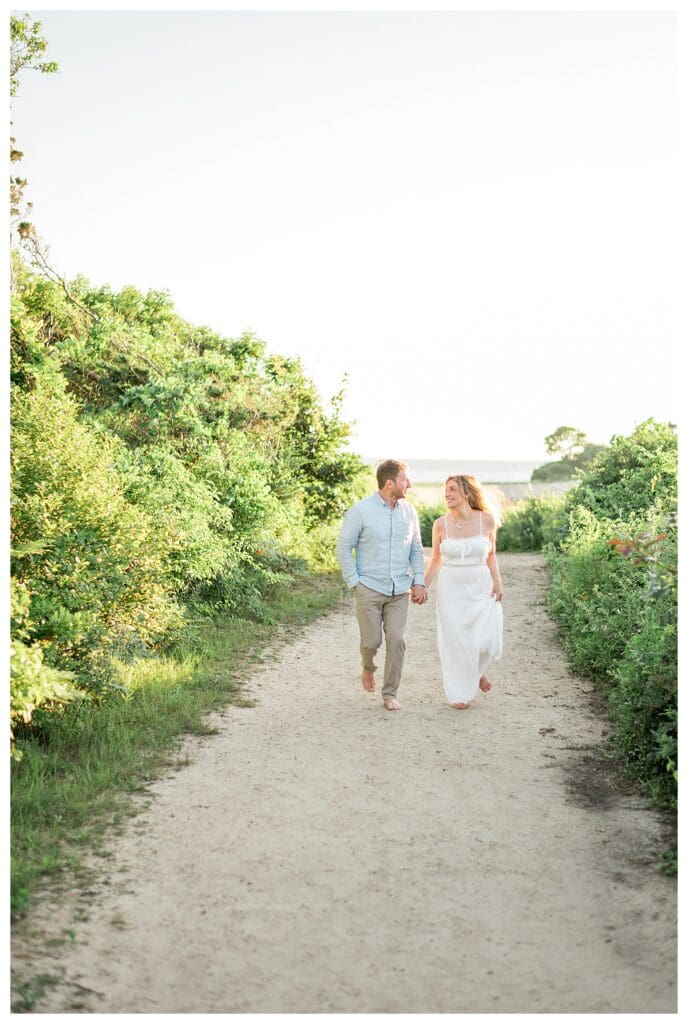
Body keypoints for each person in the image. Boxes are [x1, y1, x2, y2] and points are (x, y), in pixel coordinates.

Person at [336, 459, 428, 711]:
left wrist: (419, 581)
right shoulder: (361, 511)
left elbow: (416, 548)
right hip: (369, 587)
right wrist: (354, 582)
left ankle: (390, 693)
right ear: (390, 483)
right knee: (371, 642)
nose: (409, 484)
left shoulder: (409, 512)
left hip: (400, 591)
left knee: (397, 640)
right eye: (405, 480)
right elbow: (344, 547)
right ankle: (368, 666)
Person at [424, 474, 504, 709]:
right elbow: (435, 560)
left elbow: (491, 555)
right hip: (451, 587)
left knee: (486, 639)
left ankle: (477, 671)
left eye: (452, 489)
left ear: (467, 492)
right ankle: (458, 693)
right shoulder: (440, 524)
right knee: (454, 639)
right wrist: (422, 586)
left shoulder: (486, 520)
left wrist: (498, 582)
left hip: (480, 585)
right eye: (445, 490)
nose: (447, 494)